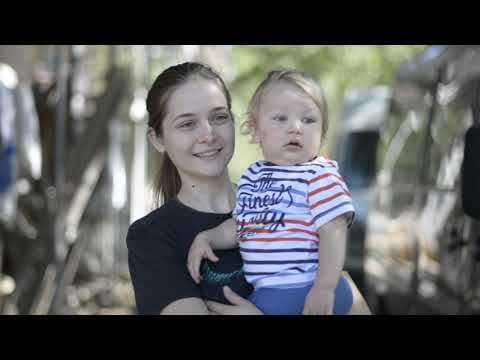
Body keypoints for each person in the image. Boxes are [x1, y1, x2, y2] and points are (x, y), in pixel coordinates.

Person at [127, 62, 371, 315]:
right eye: (187, 124)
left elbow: (353, 305)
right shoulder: (152, 237)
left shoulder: (303, 191)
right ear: (157, 139)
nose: (208, 134)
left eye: (219, 117)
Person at [188, 69, 356, 315]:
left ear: (322, 135)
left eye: (309, 120)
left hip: (307, 284)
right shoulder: (252, 176)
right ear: (255, 131)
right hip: (271, 290)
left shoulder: (319, 174)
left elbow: (334, 231)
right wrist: (207, 237)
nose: (296, 128)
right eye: (280, 119)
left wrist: (324, 287)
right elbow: (241, 225)